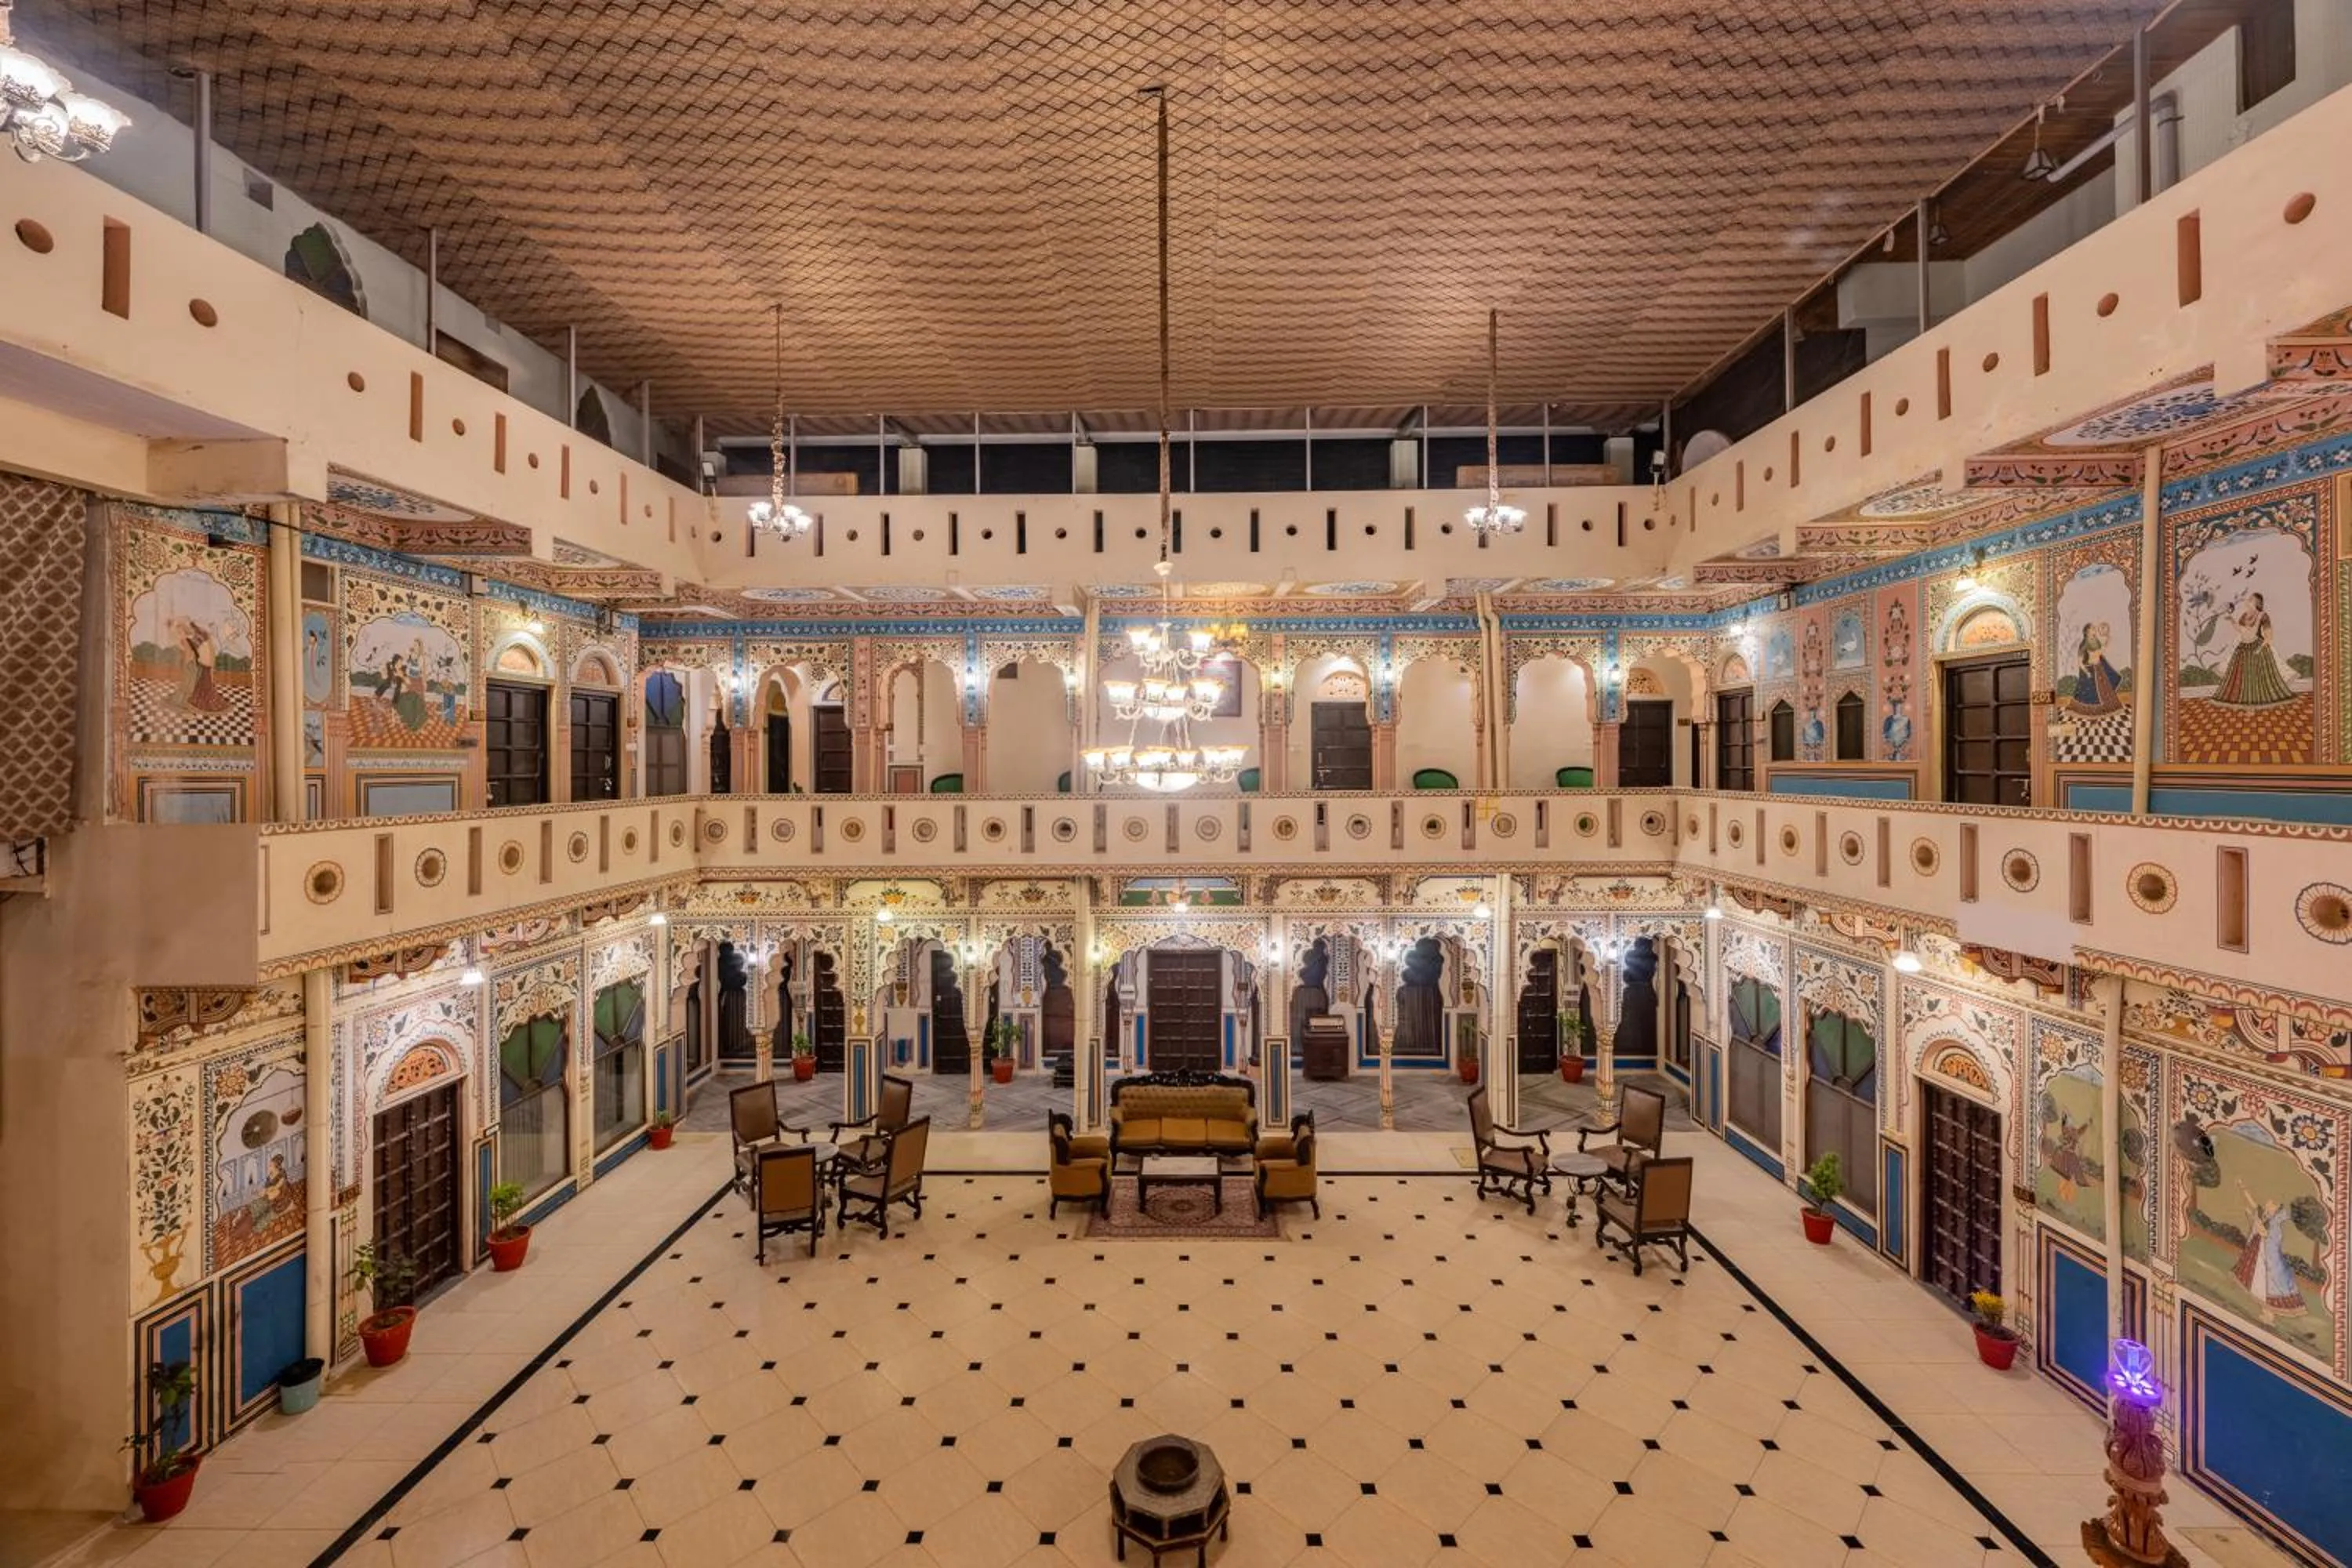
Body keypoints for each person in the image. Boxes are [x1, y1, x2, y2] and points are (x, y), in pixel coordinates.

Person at [2231, 1183, 2308, 1321]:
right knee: (2259, 1282)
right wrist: (2243, 1188)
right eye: (2269, 1203)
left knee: (2267, 1284)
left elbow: (2265, 1234)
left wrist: (2254, 1219)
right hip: (2258, 1253)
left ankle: (2269, 1315)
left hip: (2268, 1259)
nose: (2268, 1205)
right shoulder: (2265, 1215)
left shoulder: (2274, 1223)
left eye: (2272, 1204)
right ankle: (2266, 1313)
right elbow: (2254, 1204)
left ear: (2276, 1208)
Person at [2212, 591, 2294, 707]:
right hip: (2243, 648)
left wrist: (2259, 649)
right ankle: (2244, 700)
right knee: (2241, 677)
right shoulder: (2244, 615)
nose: (2247, 601)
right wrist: (2231, 620)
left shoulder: (2263, 616)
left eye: (2251, 599)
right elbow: (2241, 630)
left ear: (2257, 603)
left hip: (2258, 648)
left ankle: (2258, 701)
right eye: (2249, 599)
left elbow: (2269, 637)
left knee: (2258, 678)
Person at [2071, 619, 2123, 715]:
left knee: (2105, 691)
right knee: (2093, 695)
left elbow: (2100, 652)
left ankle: (2107, 710)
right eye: (2093, 628)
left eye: (2094, 628)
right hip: (2091, 670)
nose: (2095, 630)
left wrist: (2107, 639)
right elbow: (2080, 662)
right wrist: (2087, 672)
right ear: (2087, 631)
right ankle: (2092, 712)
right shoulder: (2084, 644)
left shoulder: (2096, 641)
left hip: (2099, 669)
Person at [184, 621, 228, 713]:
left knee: (205, 680)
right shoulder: (199, 639)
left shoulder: (201, 638)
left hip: (205, 662)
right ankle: (199, 697)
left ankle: (203, 698)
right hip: (203, 661)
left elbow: (198, 647)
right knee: (202, 680)